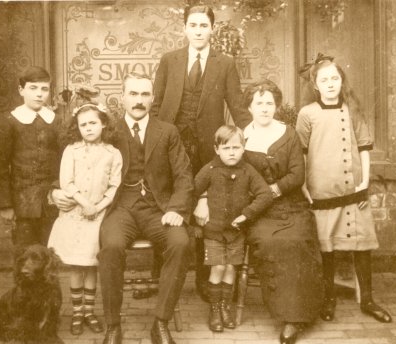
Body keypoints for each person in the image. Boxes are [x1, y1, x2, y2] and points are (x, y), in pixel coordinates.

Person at [51, 71, 194, 344]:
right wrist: (55, 190)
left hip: (158, 209)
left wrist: (176, 208)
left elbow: (184, 175)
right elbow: (74, 161)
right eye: (133, 94)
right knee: (111, 247)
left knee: (180, 243)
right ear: (123, 97)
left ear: (152, 98)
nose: (138, 101)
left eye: (144, 94)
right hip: (119, 209)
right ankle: (113, 325)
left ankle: (161, 323)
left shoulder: (167, 131)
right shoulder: (107, 129)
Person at [195, 79, 324, 344]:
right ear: (249, 107)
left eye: (269, 103)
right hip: (255, 211)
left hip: (290, 204)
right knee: (271, 241)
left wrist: (272, 191)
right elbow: (214, 169)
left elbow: (297, 175)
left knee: (298, 240)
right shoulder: (239, 136)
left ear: (276, 106)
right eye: (259, 103)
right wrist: (204, 197)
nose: (265, 108)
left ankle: (296, 318)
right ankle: (283, 310)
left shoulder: (288, 133)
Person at [151, 3, 251, 301]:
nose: (198, 31)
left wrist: (257, 136)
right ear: (185, 28)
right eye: (192, 25)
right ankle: (163, 278)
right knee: (169, 205)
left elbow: (237, 106)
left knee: (207, 211)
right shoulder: (170, 60)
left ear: (212, 29)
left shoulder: (225, 63)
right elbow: (157, 105)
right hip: (173, 146)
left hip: (209, 148)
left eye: (203, 26)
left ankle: (206, 281)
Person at [296, 54, 392, 324]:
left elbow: (363, 148)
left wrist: (364, 182)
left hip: (354, 191)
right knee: (327, 248)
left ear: (341, 81)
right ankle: (328, 299)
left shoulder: (352, 110)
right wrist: (304, 186)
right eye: (324, 79)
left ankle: (368, 300)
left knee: (361, 246)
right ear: (315, 84)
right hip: (322, 193)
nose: (330, 84)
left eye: (335, 78)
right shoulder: (307, 114)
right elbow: (301, 154)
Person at [48, 103, 122, 336]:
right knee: (76, 266)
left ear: (104, 124)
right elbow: (66, 182)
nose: (88, 128)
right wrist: (84, 202)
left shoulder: (113, 153)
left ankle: (90, 311)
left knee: (91, 265)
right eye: (83, 125)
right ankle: (77, 312)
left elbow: (114, 186)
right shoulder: (72, 150)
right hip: (74, 215)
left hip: (97, 217)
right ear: (77, 128)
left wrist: (98, 206)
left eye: (93, 123)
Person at [194, 125, 273, 332]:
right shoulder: (210, 170)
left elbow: (265, 194)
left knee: (230, 269)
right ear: (217, 149)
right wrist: (201, 201)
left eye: (236, 148)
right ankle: (214, 309)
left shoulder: (248, 171)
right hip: (213, 231)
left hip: (237, 232)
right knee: (218, 267)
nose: (231, 152)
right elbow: (192, 190)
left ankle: (225, 308)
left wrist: (247, 213)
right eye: (226, 147)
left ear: (243, 148)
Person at [0, 66, 62, 249]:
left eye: (44, 89)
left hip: (51, 202)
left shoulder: (55, 121)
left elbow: (64, 159)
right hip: (22, 203)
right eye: (33, 88)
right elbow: (0, 165)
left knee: (50, 253)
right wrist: (5, 204)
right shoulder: (10, 122)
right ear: (21, 90)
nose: (39, 94)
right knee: (25, 256)